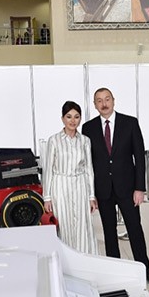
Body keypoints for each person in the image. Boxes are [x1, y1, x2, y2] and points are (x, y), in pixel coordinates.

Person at [82, 88, 149, 287]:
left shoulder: (130, 123)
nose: (104, 104)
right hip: (103, 189)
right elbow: (88, 163)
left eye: (107, 99)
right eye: (99, 101)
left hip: (128, 188)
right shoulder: (88, 128)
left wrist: (140, 188)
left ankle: (145, 269)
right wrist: (91, 193)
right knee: (109, 232)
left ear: (113, 100)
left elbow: (139, 157)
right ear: (95, 104)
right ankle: (115, 271)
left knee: (135, 229)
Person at [43, 101, 98, 254]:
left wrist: (91, 196)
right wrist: (47, 197)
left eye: (76, 117)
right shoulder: (54, 140)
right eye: (69, 117)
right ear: (62, 119)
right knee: (64, 224)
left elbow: (89, 169)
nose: (73, 121)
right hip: (60, 186)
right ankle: (65, 259)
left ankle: (84, 259)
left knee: (83, 225)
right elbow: (48, 170)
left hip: (80, 185)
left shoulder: (85, 141)